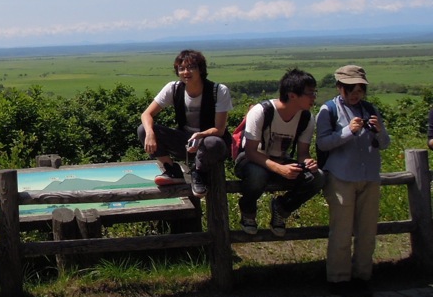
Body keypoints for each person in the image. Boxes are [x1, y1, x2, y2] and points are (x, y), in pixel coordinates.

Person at [317, 65, 391, 297]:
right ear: (340, 87)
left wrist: (378, 131)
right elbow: (323, 143)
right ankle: (338, 280)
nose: (356, 94)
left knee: (367, 231)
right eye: (351, 88)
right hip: (341, 177)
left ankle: (362, 277)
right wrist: (349, 131)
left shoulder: (370, 109)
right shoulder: (328, 110)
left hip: (369, 176)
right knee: (341, 232)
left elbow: (385, 143)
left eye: (360, 89)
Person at [235, 68, 324, 237]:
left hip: (281, 161)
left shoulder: (306, 118)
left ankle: (282, 208)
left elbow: (303, 153)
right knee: (258, 174)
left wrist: (308, 163)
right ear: (292, 95)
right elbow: (251, 151)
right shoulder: (261, 111)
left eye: (314, 92)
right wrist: (279, 169)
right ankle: (248, 210)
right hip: (250, 161)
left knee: (318, 177)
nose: (314, 97)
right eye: (310, 93)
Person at [138, 49, 232, 198]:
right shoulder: (173, 88)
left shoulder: (219, 91)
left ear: (201, 69)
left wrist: (201, 135)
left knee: (212, 142)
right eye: (181, 69)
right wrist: (150, 134)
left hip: (210, 143)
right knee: (143, 129)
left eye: (191, 67)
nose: (186, 72)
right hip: (186, 142)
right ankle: (171, 169)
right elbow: (146, 114)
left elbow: (220, 130)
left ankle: (198, 173)